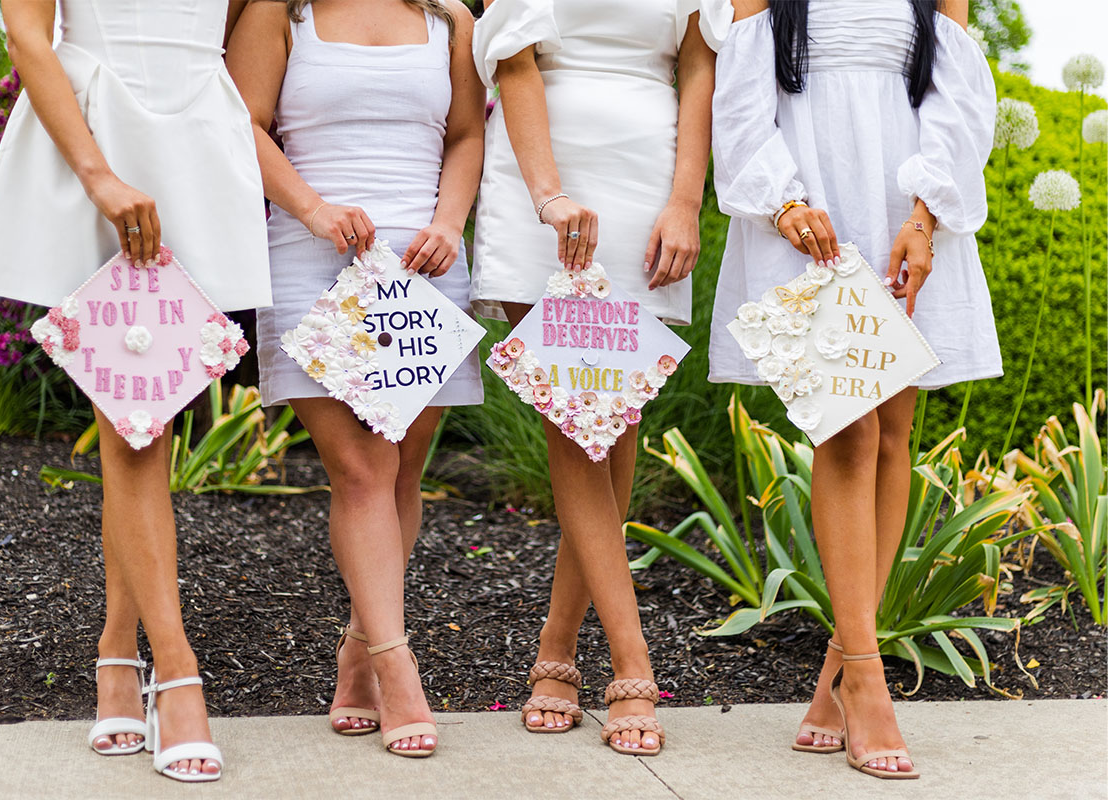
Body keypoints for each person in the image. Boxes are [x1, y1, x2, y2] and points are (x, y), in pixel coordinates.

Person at [0, 0, 272, 784]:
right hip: (93, 139)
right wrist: (99, 174)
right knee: (134, 424)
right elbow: (27, 38)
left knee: (147, 422)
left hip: (203, 154)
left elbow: (248, 57)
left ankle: (116, 648)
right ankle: (177, 675)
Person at [709, 0, 998, 780]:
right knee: (846, 431)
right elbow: (739, 91)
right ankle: (867, 680)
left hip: (902, 207)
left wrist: (926, 216)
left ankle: (841, 667)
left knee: (895, 433)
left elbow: (957, 90)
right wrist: (785, 201)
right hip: (809, 209)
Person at [472, 0, 730, 756]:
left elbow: (699, 67)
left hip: (645, 180)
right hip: (543, 181)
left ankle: (557, 645)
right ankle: (631, 657)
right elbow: (514, 59)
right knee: (575, 420)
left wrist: (686, 201)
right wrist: (548, 194)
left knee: (615, 430)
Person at [227, 0, 483, 758]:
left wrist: (449, 221)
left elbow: (468, 134)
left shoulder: (451, 18)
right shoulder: (282, 12)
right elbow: (243, 124)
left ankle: (360, 644)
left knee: (399, 471)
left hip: (423, 264)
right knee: (361, 468)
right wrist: (312, 209)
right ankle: (397, 667)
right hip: (313, 257)